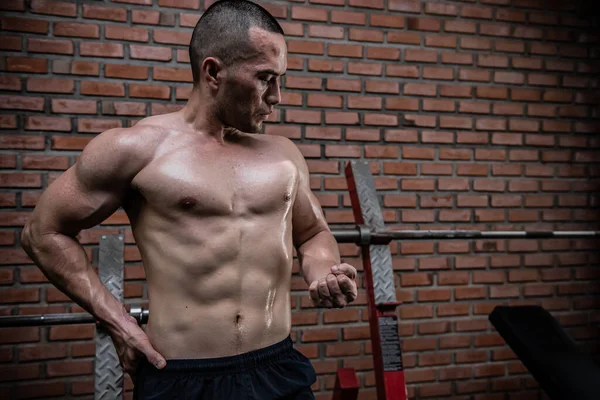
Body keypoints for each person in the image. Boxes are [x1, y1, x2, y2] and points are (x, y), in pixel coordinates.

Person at [20, 0, 358, 399]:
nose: (277, 96)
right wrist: (120, 324)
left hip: (277, 367)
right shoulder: (137, 149)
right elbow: (42, 233)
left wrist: (322, 272)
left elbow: (313, 233)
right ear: (213, 72)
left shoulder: (283, 155)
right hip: (182, 377)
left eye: (280, 78)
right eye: (265, 78)